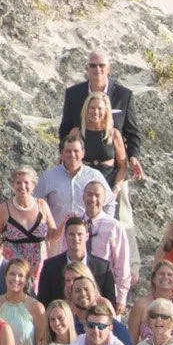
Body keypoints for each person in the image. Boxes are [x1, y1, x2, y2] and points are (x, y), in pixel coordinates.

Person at [59, 50, 142, 182]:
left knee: (122, 202)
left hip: (115, 170)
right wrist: (63, 153)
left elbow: (132, 132)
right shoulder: (73, 94)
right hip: (81, 171)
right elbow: (65, 130)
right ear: (86, 69)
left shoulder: (123, 96)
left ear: (108, 68)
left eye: (102, 65)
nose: (97, 69)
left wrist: (133, 156)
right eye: (93, 65)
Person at [33, 134, 105, 254]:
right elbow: (35, 205)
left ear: (83, 153)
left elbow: (109, 202)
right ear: (61, 153)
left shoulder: (95, 176)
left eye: (76, 151)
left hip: (87, 236)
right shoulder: (49, 177)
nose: (72, 155)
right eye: (68, 151)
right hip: (58, 239)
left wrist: (101, 226)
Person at [37, 215, 117, 313]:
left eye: (80, 234)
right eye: (71, 234)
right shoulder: (50, 266)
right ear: (65, 236)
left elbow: (111, 304)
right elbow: (43, 303)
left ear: (87, 236)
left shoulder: (103, 268)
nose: (76, 238)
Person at [0, 167, 54, 290]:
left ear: (33, 185)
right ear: (13, 185)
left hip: (39, 268)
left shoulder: (42, 205)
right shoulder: (3, 209)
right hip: (14, 270)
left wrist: (65, 223)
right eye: (18, 182)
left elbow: (53, 235)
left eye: (26, 182)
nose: (22, 186)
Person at [81, 178, 134, 312]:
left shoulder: (114, 226)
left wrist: (121, 297)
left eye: (97, 196)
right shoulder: (75, 223)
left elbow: (122, 264)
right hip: (79, 288)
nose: (93, 199)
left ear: (104, 200)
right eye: (89, 194)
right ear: (83, 196)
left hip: (105, 286)